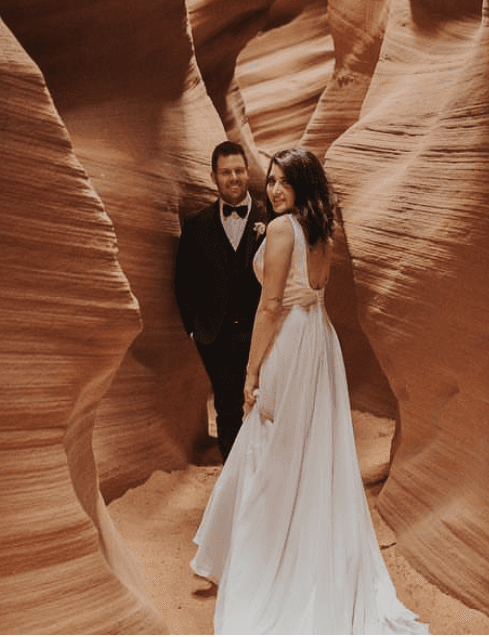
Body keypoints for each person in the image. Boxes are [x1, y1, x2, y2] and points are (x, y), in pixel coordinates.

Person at [190, 148, 429, 634]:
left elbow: (270, 306)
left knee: (271, 448)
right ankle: (301, 550)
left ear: (302, 184)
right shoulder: (323, 229)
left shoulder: (280, 229)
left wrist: (252, 373)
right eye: (271, 181)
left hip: (290, 342)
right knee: (308, 449)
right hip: (319, 341)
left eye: (283, 182)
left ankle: (266, 565)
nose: (273, 190)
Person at [174, 141, 267, 462]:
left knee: (265, 406)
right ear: (213, 176)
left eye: (239, 170)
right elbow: (183, 283)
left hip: (262, 334)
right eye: (226, 172)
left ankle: (263, 478)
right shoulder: (196, 226)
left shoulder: (272, 220)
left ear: (249, 172)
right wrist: (193, 329)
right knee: (227, 410)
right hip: (216, 338)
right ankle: (234, 480)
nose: (234, 178)